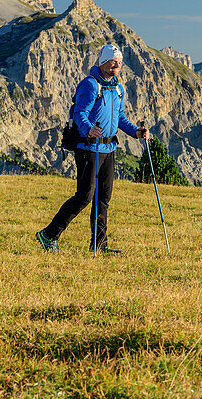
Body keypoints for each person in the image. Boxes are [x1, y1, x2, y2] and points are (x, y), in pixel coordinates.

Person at [36, 44, 148, 254]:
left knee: (103, 197)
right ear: (103, 62)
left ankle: (99, 244)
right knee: (85, 196)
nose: (117, 65)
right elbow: (80, 113)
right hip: (88, 147)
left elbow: (120, 117)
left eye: (120, 62)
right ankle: (49, 234)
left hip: (108, 148)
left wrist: (136, 132)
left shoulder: (118, 88)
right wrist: (88, 130)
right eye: (114, 61)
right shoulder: (89, 85)